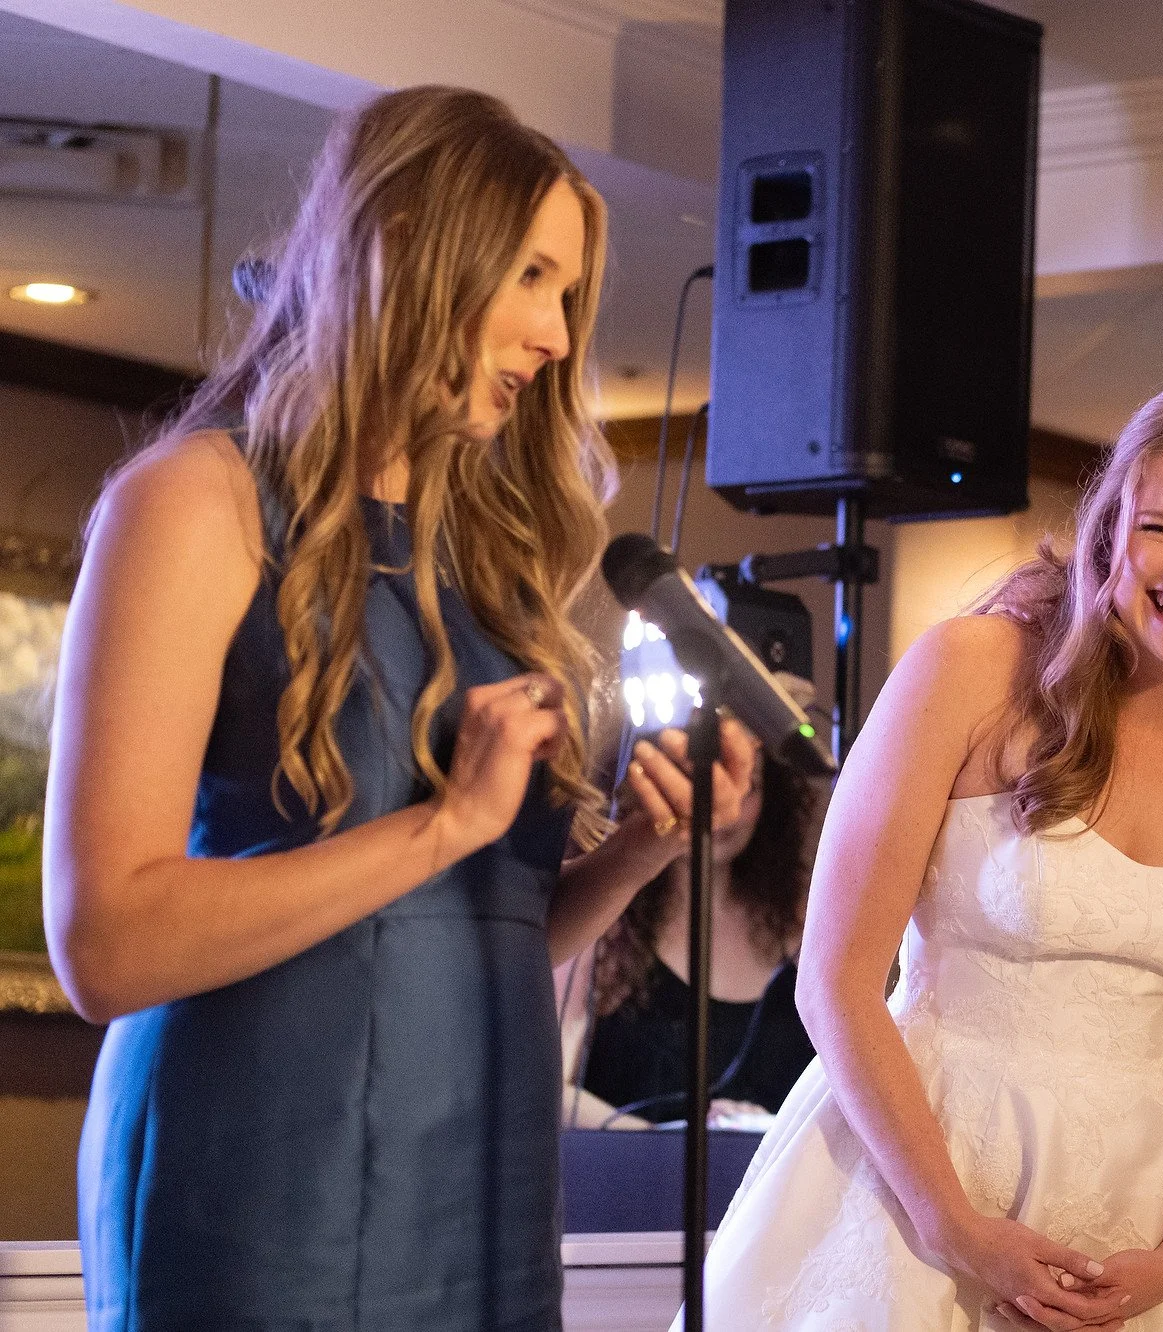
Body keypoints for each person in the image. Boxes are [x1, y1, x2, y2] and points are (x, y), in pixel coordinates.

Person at [43, 86, 752, 1330]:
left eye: (567, 292)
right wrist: (442, 825)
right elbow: (105, 945)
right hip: (262, 1188)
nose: (553, 332)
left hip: (481, 1185)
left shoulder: (481, 559)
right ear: (409, 245)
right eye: (530, 276)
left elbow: (462, 938)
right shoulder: (193, 504)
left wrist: (635, 855)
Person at [687, 380, 1163, 1330]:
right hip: (917, 1179)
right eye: (1161, 529)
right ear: (1108, 538)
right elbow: (833, 979)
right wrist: (953, 1227)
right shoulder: (968, 670)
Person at [558, 742, 823, 1126]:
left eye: (745, 785)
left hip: (773, 1178)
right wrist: (667, 1140)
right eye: (697, 779)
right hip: (629, 1175)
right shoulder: (602, 927)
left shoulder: (799, 926)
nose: (722, 808)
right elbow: (551, 1088)